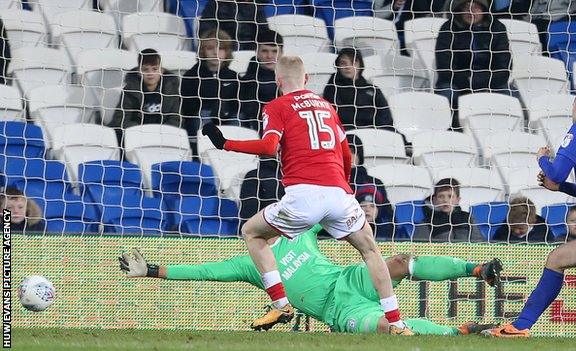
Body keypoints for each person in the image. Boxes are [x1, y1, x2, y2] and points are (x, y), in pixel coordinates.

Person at [201, 56, 413, 334]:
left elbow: (268, 147)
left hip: (304, 195)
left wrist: (226, 143)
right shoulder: (327, 106)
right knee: (371, 251)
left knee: (252, 232)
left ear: (278, 82)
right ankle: (396, 323)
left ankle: (280, 304)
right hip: (339, 194)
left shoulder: (276, 106)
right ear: (307, 78)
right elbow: (345, 152)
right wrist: (345, 184)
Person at [119, 224, 502, 334]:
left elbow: (330, 208)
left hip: (350, 280)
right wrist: (151, 270)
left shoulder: (297, 232)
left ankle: (476, 269)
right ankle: (460, 333)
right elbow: (202, 272)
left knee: (399, 261)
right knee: (387, 326)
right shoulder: (251, 263)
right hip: (339, 310)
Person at [483, 88, 576, 337]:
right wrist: (561, 188)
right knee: (557, 259)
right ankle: (520, 327)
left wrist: (542, 159)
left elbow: (556, 171)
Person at [434, 0, 513, 129]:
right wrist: (467, 82)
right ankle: (449, 130)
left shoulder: (497, 28)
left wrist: (483, 82)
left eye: (475, 7)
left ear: (483, 9)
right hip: (457, 81)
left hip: (490, 80)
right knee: (446, 93)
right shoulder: (448, 29)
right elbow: (444, 67)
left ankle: (505, 131)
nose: (470, 12)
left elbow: (505, 67)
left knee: (510, 95)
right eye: (466, 7)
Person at [180, 29, 240, 157]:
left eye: (221, 48)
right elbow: (188, 107)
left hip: (227, 117)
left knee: (238, 118)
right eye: (210, 48)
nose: (215, 52)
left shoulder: (233, 76)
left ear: (227, 52)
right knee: (203, 116)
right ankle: (202, 154)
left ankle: (236, 154)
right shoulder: (191, 76)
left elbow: (238, 103)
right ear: (203, 51)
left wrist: (226, 110)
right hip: (202, 118)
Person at [109, 49, 181, 146]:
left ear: (161, 71)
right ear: (139, 71)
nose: (150, 73)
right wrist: (143, 131)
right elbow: (120, 119)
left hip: (164, 136)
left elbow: (176, 119)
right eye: (145, 69)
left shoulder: (171, 90)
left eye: (155, 69)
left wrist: (160, 132)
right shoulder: (130, 90)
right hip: (136, 137)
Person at [323, 48, 394, 131]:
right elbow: (337, 115)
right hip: (347, 132)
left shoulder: (373, 89)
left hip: (376, 131)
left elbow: (386, 116)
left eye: (353, 62)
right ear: (337, 66)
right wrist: (369, 117)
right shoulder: (332, 88)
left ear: (360, 65)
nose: (348, 67)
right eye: (343, 63)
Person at [239, 30, 283, 131]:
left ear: (281, 53)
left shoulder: (290, 77)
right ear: (257, 53)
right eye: (264, 51)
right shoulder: (247, 81)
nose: (269, 56)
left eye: (274, 51)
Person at [415, 178, 483, 242]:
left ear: (457, 200)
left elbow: (479, 243)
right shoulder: (427, 222)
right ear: (434, 200)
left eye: (450, 196)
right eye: (441, 196)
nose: (445, 200)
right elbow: (420, 247)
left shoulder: (468, 218)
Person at [198, 0, 269, 51]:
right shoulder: (215, 4)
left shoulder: (257, 6)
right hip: (223, 49)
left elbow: (263, 33)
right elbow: (206, 31)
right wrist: (225, 43)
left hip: (250, 50)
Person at [239, 156, 284, 224]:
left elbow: (248, 212)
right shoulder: (295, 178)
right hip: (289, 229)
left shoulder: (254, 175)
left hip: (262, 228)